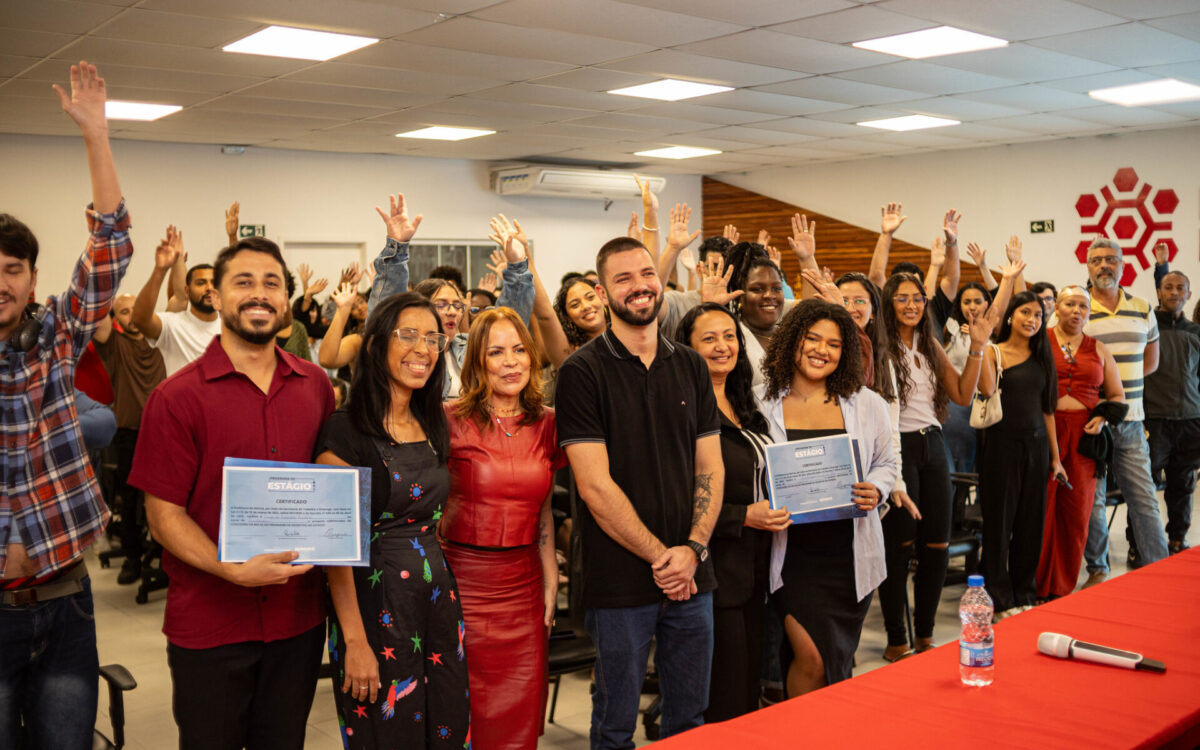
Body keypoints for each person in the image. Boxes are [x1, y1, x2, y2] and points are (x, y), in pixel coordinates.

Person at [129, 238, 335, 749]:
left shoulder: (316, 386)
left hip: (297, 621)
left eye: (272, 284)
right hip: (211, 621)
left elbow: (328, 490)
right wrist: (230, 568)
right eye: (243, 282)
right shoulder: (176, 398)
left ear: (285, 301)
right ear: (216, 297)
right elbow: (163, 514)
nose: (259, 294)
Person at [0, 60, 129, 750]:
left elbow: (108, 248)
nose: (1, 282)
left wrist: (96, 137)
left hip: (65, 605)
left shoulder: (53, 337)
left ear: (31, 279)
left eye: (12, 269)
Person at [556, 236, 724, 746]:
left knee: (689, 721)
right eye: (623, 278)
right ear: (602, 292)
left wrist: (691, 550)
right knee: (614, 727)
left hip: (692, 576)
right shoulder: (581, 372)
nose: (639, 286)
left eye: (647, 274)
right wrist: (662, 558)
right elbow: (594, 486)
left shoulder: (690, 365)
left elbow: (710, 467)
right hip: (620, 583)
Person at [314, 292, 470, 748]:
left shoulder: (431, 422)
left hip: (437, 601)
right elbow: (335, 551)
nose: (423, 349)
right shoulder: (345, 431)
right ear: (375, 343)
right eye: (408, 335)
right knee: (388, 730)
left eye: (432, 339)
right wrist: (355, 641)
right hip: (375, 605)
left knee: (447, 721)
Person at [756, 300, 897, 694]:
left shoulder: (867, 403)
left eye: (834, 344)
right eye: (812, 339)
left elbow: (887, 463)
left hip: (849, 557)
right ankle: (802, 727)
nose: (822, 350)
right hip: (793, 556)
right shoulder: (758, 403)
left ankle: (825, 724)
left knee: (834, 659)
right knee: (812, 658)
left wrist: (877, 487)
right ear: (792, 340)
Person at [439, 307, 564, 748]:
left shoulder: (548, 423)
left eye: (518, 350)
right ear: (477, 360)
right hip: (462, 582)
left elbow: (543, 509)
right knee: (462, 707)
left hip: (524, 585)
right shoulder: (448, 419)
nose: (511, 362)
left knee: (519, 710)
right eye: (496, 352)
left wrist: (551, 577)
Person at [876, 269, 1004, 662]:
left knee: (937, 545)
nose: (911, 305)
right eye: (902, 298)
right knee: (899, 547)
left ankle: (925, 635)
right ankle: (896, 637)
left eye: (917, 298)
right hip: (896, 448)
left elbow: (964, 394)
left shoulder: (930, 344)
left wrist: (978, 346)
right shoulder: (880, 347)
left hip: (933, 445)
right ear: (889, 303)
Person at [675, 303, 783, 721]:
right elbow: (677, 499)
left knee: (748, 685)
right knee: (728, 694)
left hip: (756, 567)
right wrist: (743, 516)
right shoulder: (681, 409)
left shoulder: (746, 402)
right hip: (713, 572)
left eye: (729, 336)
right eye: (709, 338)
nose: (723, 346)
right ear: (686, 348)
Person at [1081, 238, 1169, 583]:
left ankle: (1160, 570)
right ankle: (1098, 570)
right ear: (1088, 266)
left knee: (1144, 498)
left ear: (1122, 265)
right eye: (1097, 260)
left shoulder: (1142, 307)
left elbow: (1151, 361)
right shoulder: (1077, 306)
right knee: (1094, 503)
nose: (1104, 265)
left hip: (1131, 421)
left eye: (1111, 259)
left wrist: (1119, 388)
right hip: (1089, 423)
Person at [974, 291, 1063, 618]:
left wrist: (1056, 458)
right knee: (999, 525)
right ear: (1011, 315)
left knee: (1030, 524)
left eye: (1038, 315)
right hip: (1001, 447)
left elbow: (1048, 410)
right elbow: (984, 389)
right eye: (1026, 312)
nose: (1032, 320)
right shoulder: (994, 351)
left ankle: (1025, 592)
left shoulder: (1042, 356)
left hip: (1037, 447)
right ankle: (998, 597)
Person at [1038, 286, 1124, 600]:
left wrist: (1101, 418)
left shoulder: (1098, 348)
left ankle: (1063, 586)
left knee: (1077, 512)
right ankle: (1037, 583)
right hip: (1045, 431)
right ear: (1056, 308)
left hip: (1084, 438)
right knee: (1043, 508)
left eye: (1083, 306)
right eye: (1070, 304)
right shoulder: (1040, 341)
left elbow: (1117, 396)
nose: (1077, 311)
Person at [93, 291, 166, 584]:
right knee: (131, 499)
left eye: (136, 309)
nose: (133, 316)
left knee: (169, 498)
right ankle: (133, 558)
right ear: (116, 319)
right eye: (124, 312)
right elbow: (97, 317)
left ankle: (167, 558)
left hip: (165, 434)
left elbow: (177, 302)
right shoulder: (114, 344)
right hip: (130, 435)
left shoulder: (162, 338)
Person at [1144, 270, 1200, 555]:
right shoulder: (1148, 328)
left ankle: (1178, 539)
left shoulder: (1196, 333)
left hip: (1191, 422)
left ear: (1188, 295)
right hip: (1155, 421)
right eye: (1168, 287)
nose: (1174, 292)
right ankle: (1139, 544)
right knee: (1145, 487)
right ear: (1159, 292)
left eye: (1180, 288)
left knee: (1183, 485)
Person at [130, 225, 220, 377]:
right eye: (201, 283)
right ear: (187, 291)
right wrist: (160, 270)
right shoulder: (172, 325)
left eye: (214, 283)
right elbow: (140, 320)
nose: (209, 288)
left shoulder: (233, 327)